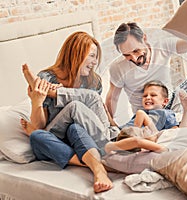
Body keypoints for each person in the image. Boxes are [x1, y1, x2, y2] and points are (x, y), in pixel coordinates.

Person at [21, 31, 113, 193]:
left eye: (96, 57)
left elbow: (96, 120)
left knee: (75, 125)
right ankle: (96, 163)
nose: (94, 62)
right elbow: (40, 126)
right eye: (91, 56)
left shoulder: (94, 81)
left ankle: (99, 169)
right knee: (37, 136)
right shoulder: (48, 78)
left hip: (85, 140)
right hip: (57, 142)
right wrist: (37, 101)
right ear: (76, 53)